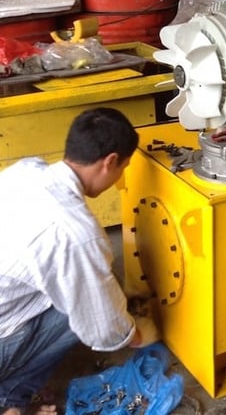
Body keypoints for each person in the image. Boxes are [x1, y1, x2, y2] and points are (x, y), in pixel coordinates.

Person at [0, 108, 159, 415]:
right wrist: (138, 336)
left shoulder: (27, 170)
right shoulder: (75, 232)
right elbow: (102, 329)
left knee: (91, 278)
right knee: (87, 305)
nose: (120, 179)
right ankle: (11, 398)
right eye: (122, 168)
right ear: (110, 161)